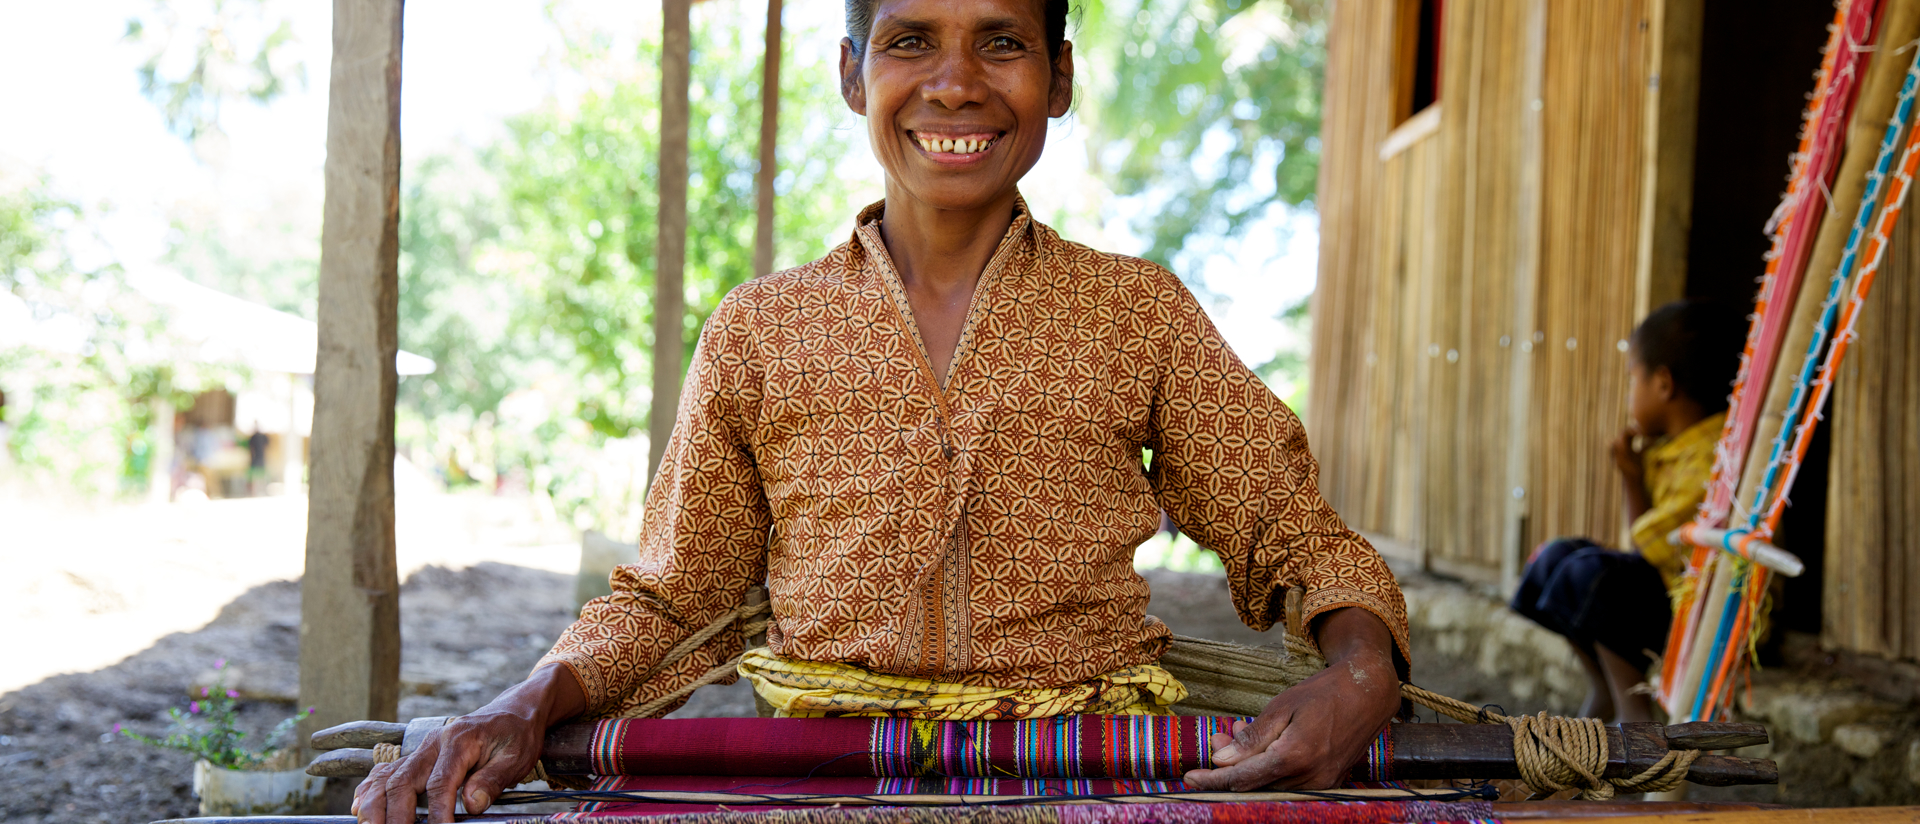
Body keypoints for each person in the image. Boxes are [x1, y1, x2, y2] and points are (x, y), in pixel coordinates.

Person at [352, 0, 1408, 820]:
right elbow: (672, 601)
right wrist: (523, 700)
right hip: (823, 779)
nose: (955, 83)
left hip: (1085, 773)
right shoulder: (762, 329)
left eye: (1002, 41)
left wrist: (1360, 666)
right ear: (853, 75)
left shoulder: (1138, 312)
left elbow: (1288, 528)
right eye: (909, 41)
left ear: (1061, 78)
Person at [1510, 300, 1745, 723]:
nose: (1628, 393)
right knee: (1555, 558)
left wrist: (1630, 478)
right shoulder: (1673, 449)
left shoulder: (1715, 458)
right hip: (1666, 598)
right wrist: (1632, 473)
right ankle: (1605, 689)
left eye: (1631, 378)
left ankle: (1634, 711)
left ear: (1663, 383)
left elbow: (1646, 543)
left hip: (1702, 614)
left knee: (1593, 576)